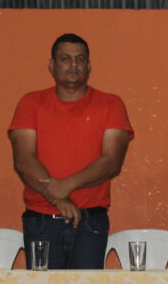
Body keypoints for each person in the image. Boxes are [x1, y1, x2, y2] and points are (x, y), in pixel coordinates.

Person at [9, 34, 133, 269]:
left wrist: (66, 186)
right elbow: (24, 160)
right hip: (41, 221)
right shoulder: (31, 103)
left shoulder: (111, 104)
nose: (73, 65)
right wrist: (59, 199)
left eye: (80, 59)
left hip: (91, 222)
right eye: (65, 59)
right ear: (52, 66)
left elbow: (111, 162)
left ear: (89, 66)